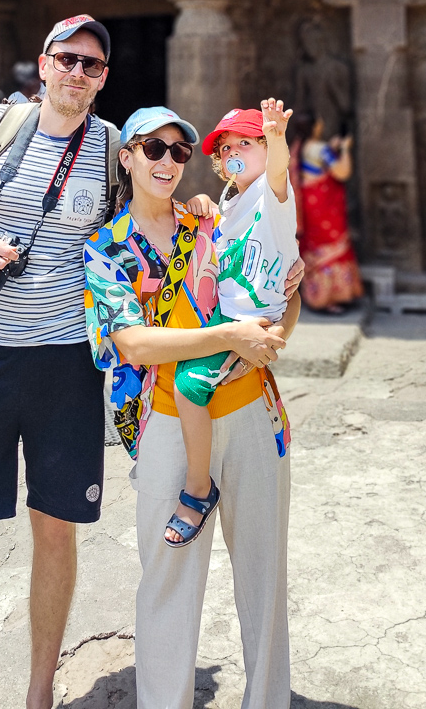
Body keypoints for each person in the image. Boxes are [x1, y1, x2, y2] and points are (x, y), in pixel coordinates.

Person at [0, 15, 121, 709]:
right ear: (43, 65)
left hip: (67, 363)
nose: (77, 73)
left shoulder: (111, 148)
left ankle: (39, 694)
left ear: (103, 79)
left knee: (55, 529)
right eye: (67, 59)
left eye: (91, 65)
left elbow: (152, 213)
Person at [85, 107, 303, 709]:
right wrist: (229, 337)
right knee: (168, 581)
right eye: (152, 149)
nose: (167, 161)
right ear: (126, 157)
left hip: (253, 409)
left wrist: (285, 309)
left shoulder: (212, 220)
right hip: (167, 422)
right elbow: (131, 343)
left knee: (264, 574)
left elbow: (275, 295)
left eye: (179, 151)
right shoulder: (105, 247)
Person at [167, 99, 299, 547]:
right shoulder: (232, 201)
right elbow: (217, 229)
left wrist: (277, 138)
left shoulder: (271, 194)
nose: (234, 152)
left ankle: (198, 487)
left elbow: (278, 171)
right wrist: (204, 201)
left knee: (188, 388)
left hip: (251, 319)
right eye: (226, 148)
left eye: (246, 143)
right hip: (231, 314)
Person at [294, 115, 361, 312]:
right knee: (332, 248)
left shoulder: (298, 148)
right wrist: (345, 149)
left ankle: (316, 296)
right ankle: (331, 298)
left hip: (308, 204)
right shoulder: (320, 149)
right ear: (315, 127)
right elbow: (342, 172)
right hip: (324, 207)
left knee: (313, 248)